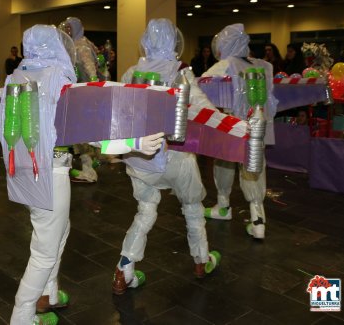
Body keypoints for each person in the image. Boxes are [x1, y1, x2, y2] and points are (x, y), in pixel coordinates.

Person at [0, 25, 162, 325]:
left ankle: (48, 293)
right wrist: (135, 144)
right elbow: (90, 129)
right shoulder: (58, 82)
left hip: (21, 171)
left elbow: (0, 119)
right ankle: (22, 316)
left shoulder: (17, 77)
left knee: (55, 231)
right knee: (44, 252)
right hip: (52, 174)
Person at [112, 19, 221, 295]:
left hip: (140, 158)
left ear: (146, 40)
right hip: (177, 157)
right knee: (193, 208)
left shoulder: (131, 73)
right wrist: (233, 128)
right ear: (174, 41)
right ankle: (200, 260)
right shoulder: (181, 73)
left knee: (145, 210)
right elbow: (204, 110)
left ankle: (124, 268)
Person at [202, 24, 278, 239]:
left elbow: (200, 87)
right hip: (258, 125)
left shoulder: (225, 65)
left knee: (223, 163)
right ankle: (258, 220)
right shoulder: (264, 65)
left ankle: (224, 206)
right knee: (254, 169)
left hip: (230, 125)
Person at [59, 17, 101, 183]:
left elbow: (91, 71)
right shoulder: (78, 43)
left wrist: (92, 92)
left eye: (69, 28)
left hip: (84, 96)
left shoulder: (81, 46)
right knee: (80, 135)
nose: (67, 31)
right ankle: (88, 166)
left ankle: (89, 171)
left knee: (81, 135)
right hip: (80, 95)